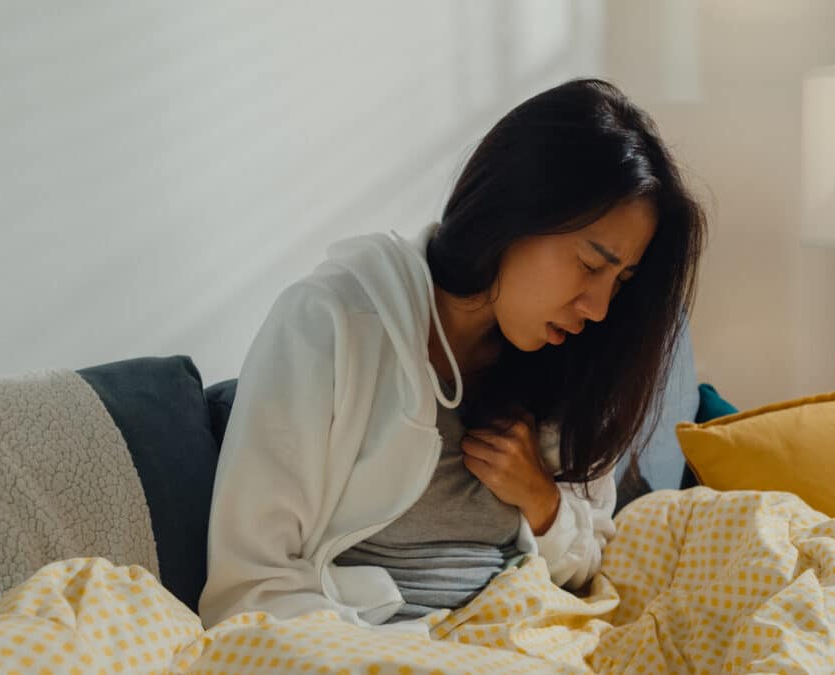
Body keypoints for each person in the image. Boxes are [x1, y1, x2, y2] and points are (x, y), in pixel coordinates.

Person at [197, 77, 707, 635]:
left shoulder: (572, 363)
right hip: (377, 641)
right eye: (590, 264)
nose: (600, 307)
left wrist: (542, 503)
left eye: (622, 280)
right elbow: (250, 583)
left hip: (531, 633)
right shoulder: (333, 322)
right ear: (517, 211)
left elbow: (586, 564)